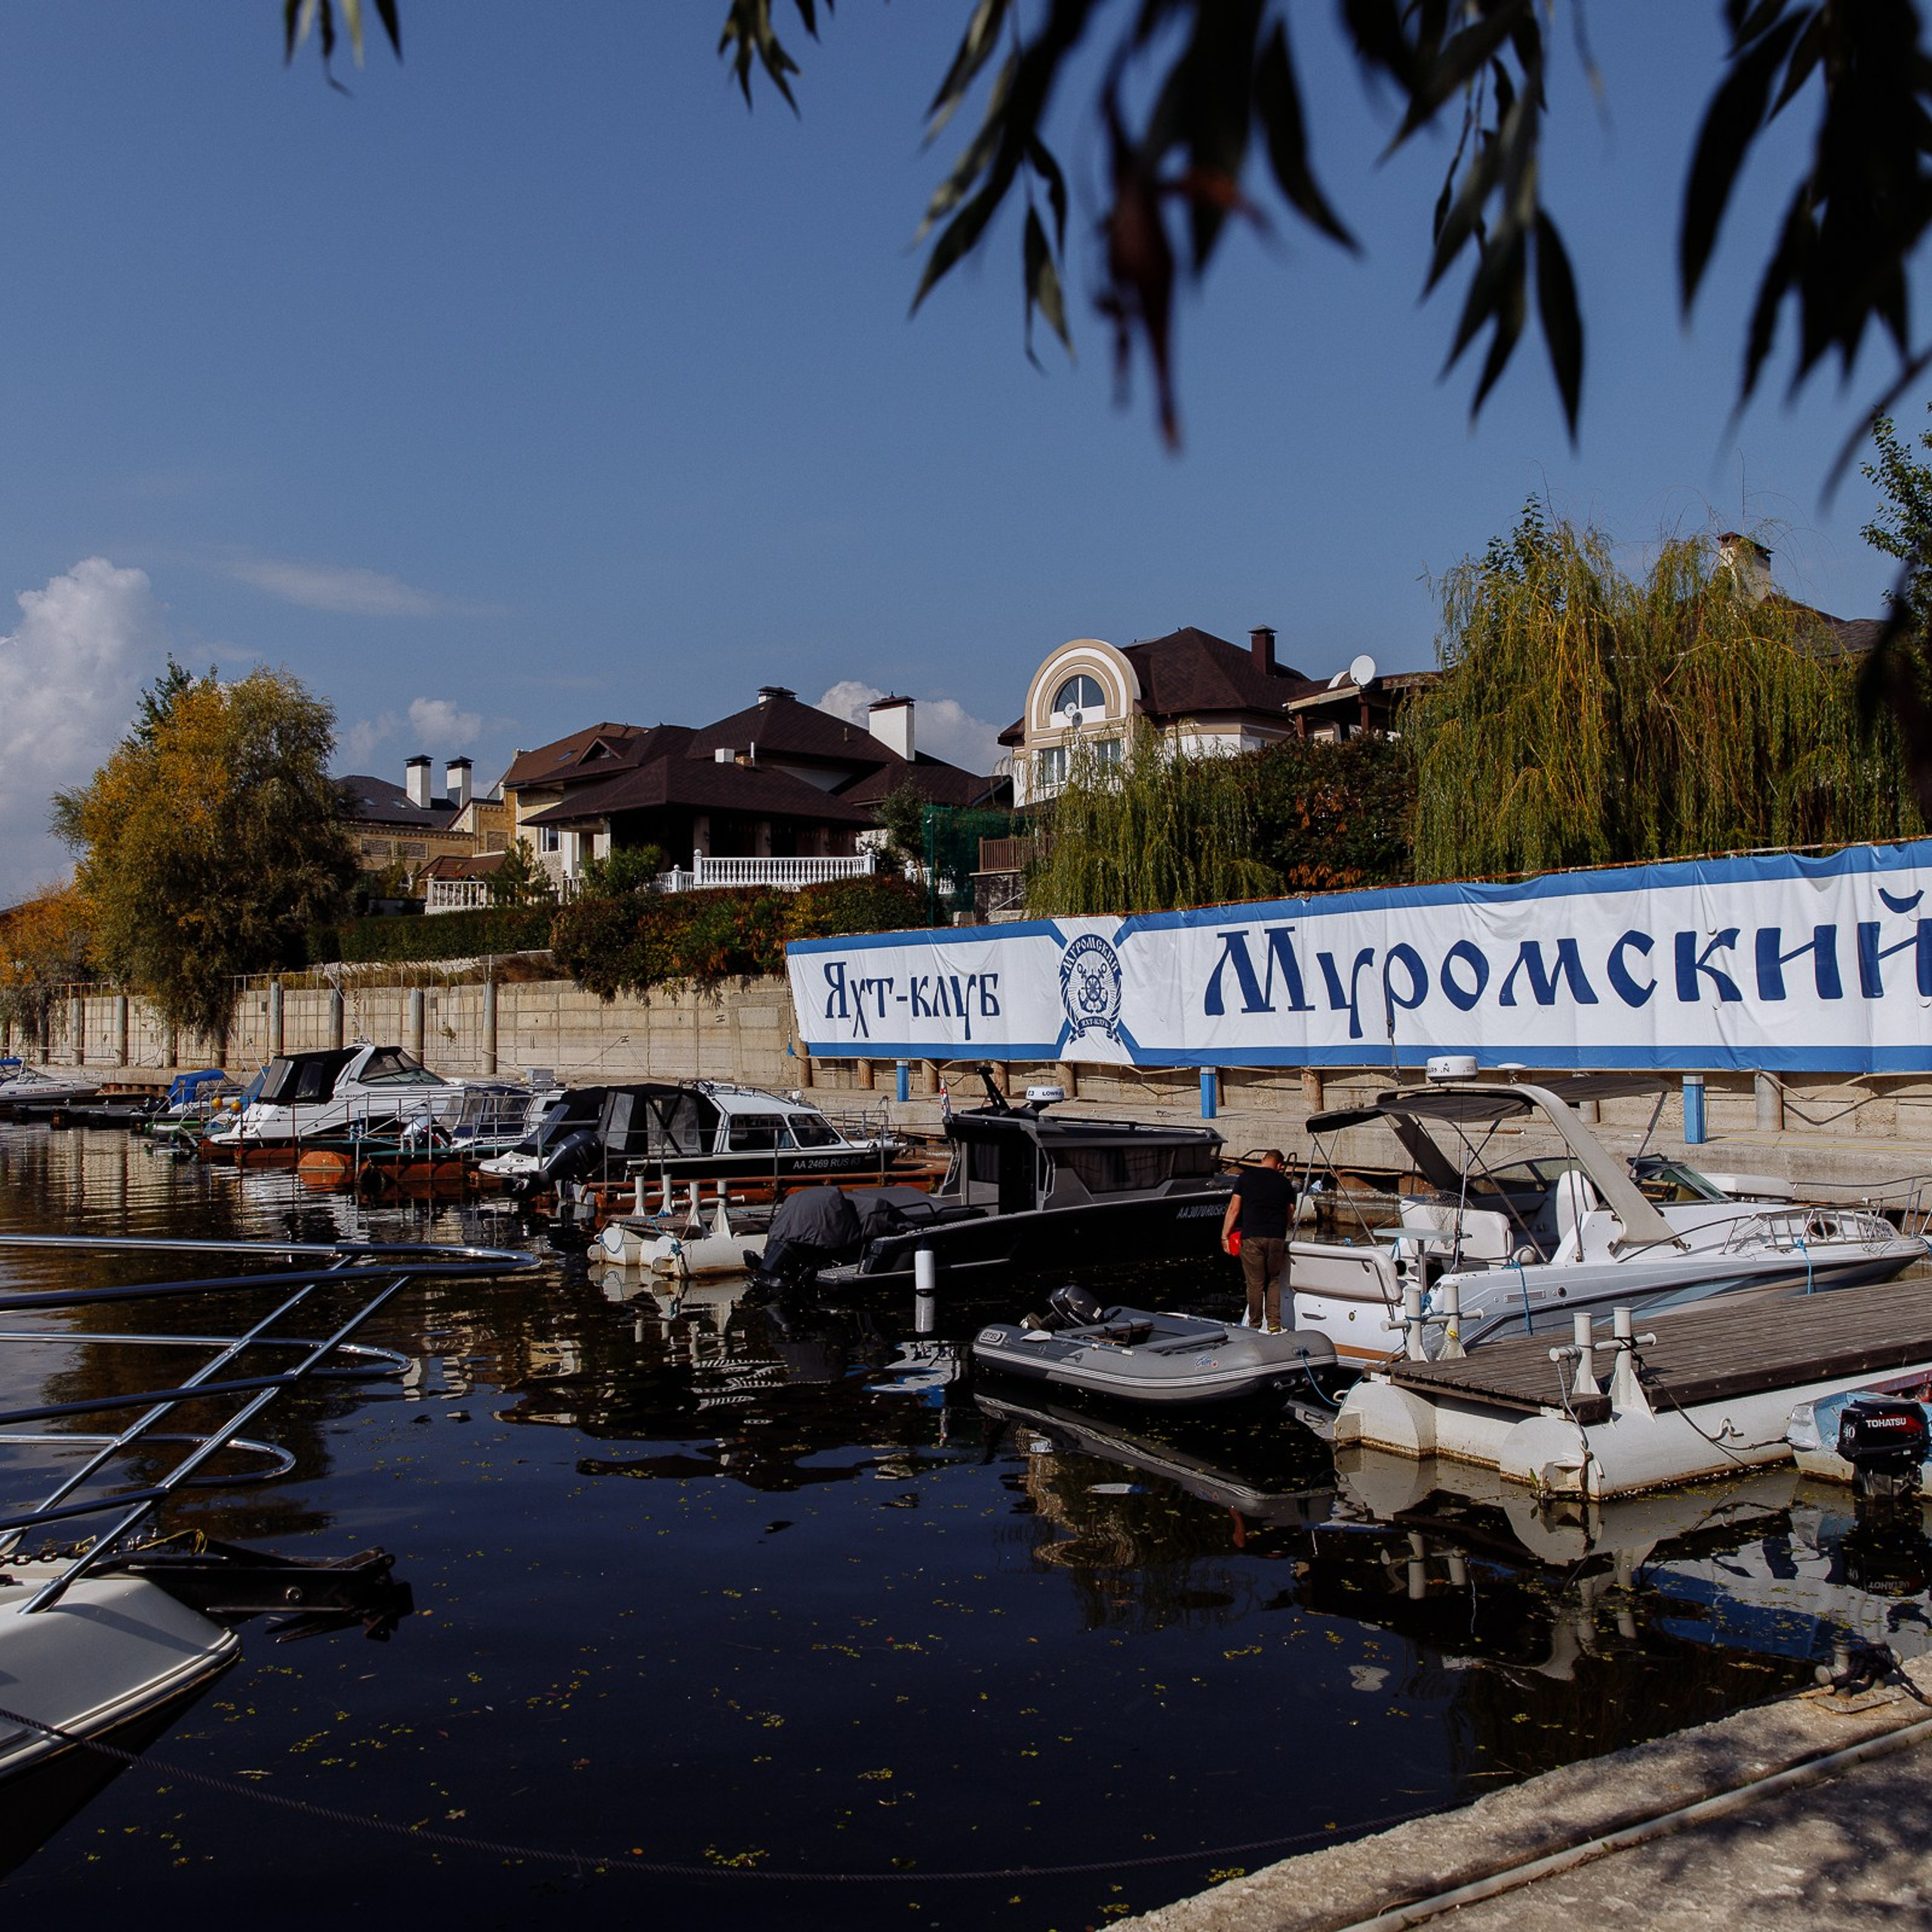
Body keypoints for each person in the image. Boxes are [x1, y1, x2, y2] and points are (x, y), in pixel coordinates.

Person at [1221, 1149, 1297, 1333]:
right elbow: (1290, 1213)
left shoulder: (1246, 1178)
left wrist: (1225, 1235)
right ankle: (1273, 1325)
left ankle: (1254, 1326)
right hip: (1276, 1238)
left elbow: (1234, 1208)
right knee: (1272, 1281)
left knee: (1255, 1283)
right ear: (1280, 1166)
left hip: (1252, 1237)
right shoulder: (1285, 1184)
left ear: (1263, 1159)